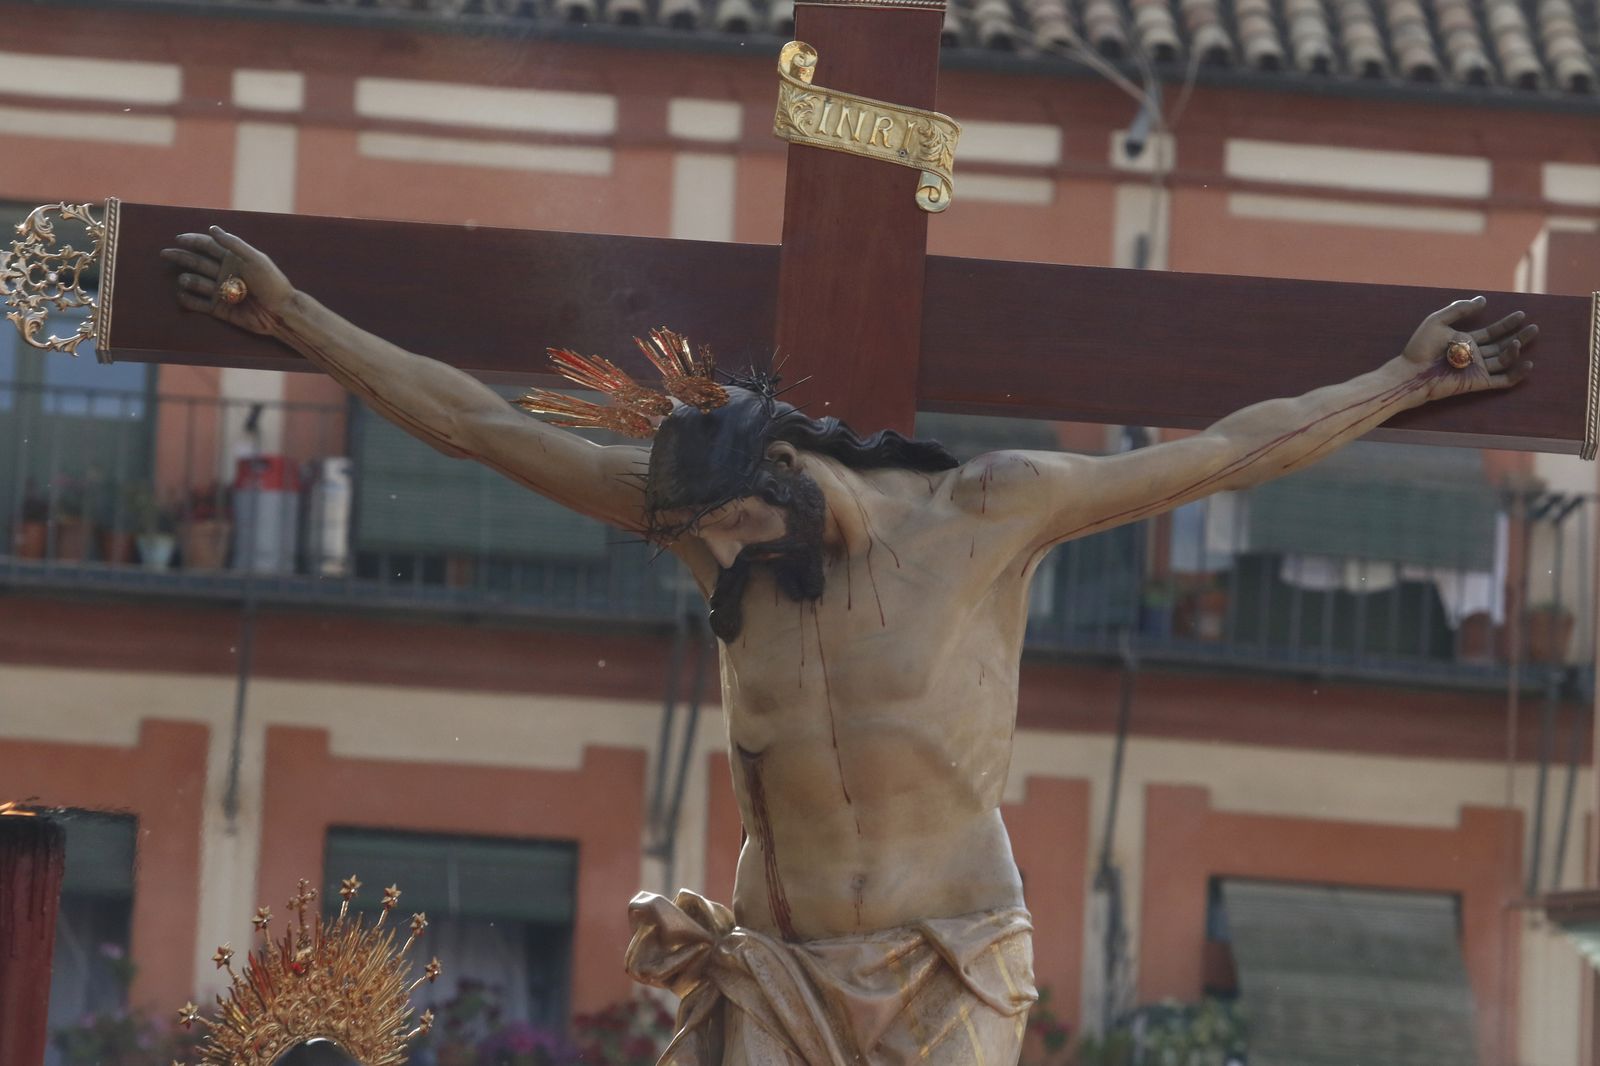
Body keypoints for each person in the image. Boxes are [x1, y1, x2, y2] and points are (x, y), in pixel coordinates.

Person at [162, 227, 1535, 1065]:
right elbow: (482, 424)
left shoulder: (990, 510)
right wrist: (291, 317)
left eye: (737, 534)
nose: (715, 560)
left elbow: (1225, 453)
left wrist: (1410, 374)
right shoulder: (704, 516)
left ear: (797, 475)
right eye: (696, 542)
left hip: (945, 960)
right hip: (784, 956)